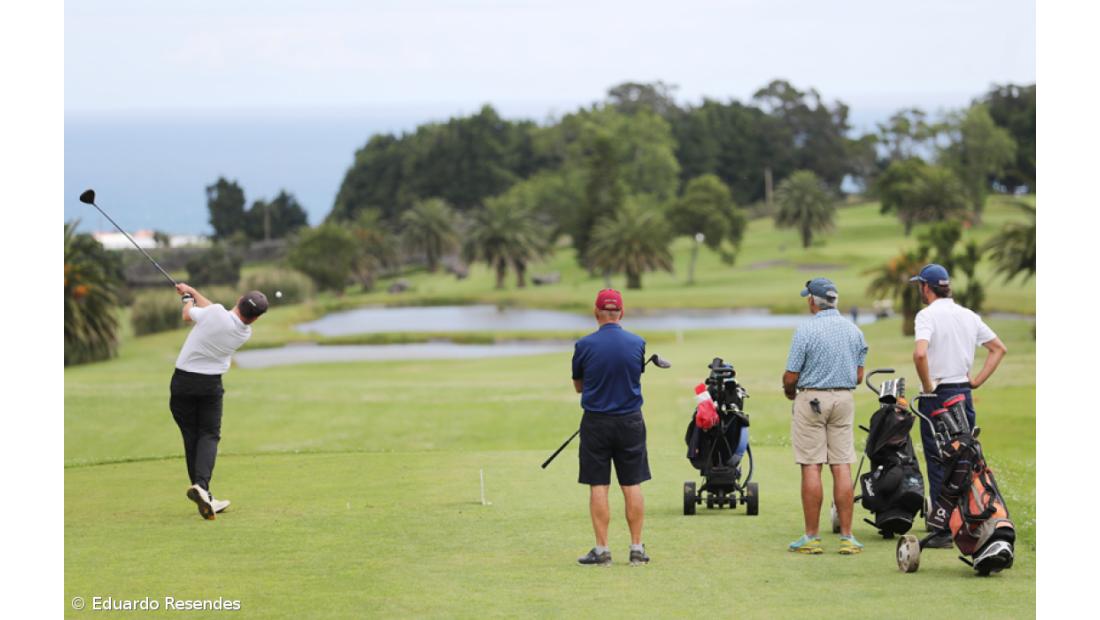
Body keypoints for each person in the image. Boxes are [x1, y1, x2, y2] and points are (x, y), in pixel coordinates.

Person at [910, 263, 1007, 548]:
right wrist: (976, 381)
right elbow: (998, 349)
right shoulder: (968, 315)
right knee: (965, 459)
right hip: (963, 395)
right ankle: (968, 520)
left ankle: (942, 530)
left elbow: (919, 354)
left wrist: (928, 386)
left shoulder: (926, 315)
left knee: (940, 460)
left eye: (920, 285)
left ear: (926, 287)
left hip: (938, 395)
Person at [782, 278, 868, 555]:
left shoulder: (806, 331)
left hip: (812, 400)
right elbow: (858, 375)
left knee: (811, 465)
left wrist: (789, 390)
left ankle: (812, 537)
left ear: (812, 301)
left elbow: (791, 376)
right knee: (841, 465)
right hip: (843, 399)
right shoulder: (854, 331)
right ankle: (847, 537)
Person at [170, 283, 268, 520]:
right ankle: (202, 489)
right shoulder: (245, 332)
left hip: (182, 382)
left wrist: (186, 298)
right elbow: (215, 310)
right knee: (209, 435)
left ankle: (203, 491)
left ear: (240, 298)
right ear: (254, 319)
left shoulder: (215, 314)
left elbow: (188, 315)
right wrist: (193, 292)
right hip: (209, 386)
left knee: (192, 438)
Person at [571, 289, 651, 566]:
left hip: (596, 423)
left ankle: (602, 550)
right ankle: (637, 549)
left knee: (599, 485)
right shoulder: (638, 343)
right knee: (632, 484)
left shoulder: (583, 346)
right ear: (622, 313)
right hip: (630, 421)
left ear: (596, 313)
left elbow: (579, 386)